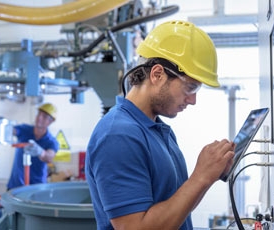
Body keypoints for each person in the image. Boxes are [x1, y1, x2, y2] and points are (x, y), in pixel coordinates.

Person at [85, 20, 235, 229]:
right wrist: (200, 177)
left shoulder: (157, 129)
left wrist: (210, 174)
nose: (193, 100)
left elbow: (176, 209)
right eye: (190, 87)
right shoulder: (118, 135)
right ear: (157, 74)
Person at [7, 103, 59, 190]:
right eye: (39, 114)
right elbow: (11, 130)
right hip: (15, 185)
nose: (39, 118)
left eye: (44, 116)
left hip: (37, 187)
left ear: (51, 121)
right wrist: (3, 125)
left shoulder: (51, 141)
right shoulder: (24, 129)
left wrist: (40, 152)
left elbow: (49, 157)